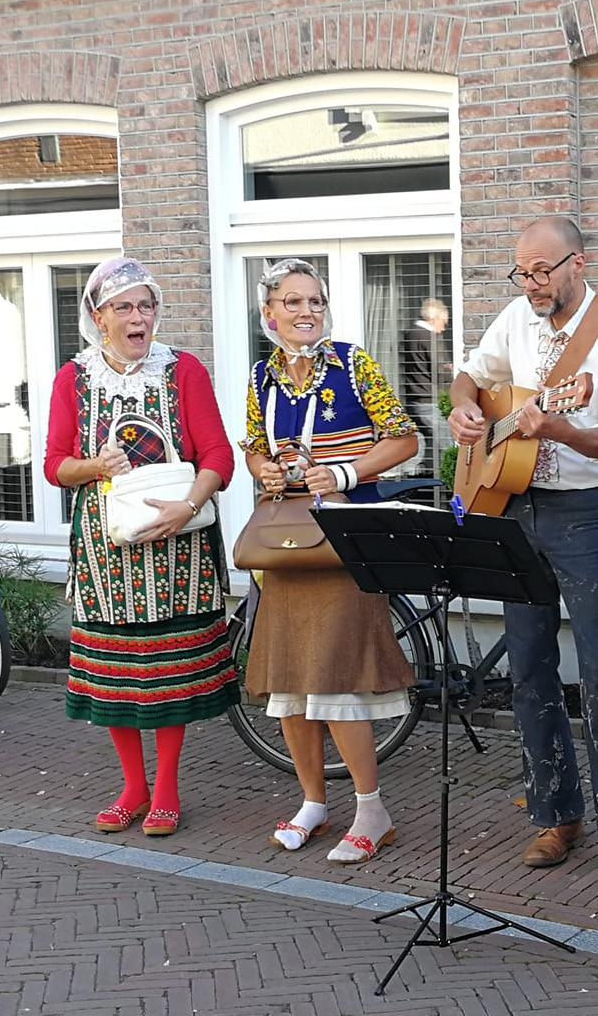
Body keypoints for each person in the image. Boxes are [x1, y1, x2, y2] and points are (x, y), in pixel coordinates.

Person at [44, 257, 240, 837]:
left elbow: (219, 455)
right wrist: (94, 466)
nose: (138, 318)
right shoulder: (73, 379)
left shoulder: (183, 370)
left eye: (146, 306)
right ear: (98, 317)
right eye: (124, 307)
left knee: (168, 673)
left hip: (178, 548)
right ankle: (133, 787)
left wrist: (189, 506)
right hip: (106, 551)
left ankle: (167, 788)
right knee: (116, 673)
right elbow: (55, 466)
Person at [240, 258, 419, 864]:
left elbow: (405, 437)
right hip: (287, 546)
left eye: (315, 301)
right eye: (292, 302)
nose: (307, 311)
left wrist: (344, 473)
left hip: (345, 542)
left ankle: (372, 810)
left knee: (337, 681)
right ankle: (313, 802)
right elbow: (253, 449)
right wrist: (264, 469)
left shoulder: (353, 363)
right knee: (291, 683)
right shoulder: (261, 376)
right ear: (269, 313)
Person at [448, 215, 598, 868]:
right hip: (513, 506)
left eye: (541, 270)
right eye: (522, 271)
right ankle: (555, 815)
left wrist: (561, 429)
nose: (530, 283)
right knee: (530, 669)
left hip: (585, 512)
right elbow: (469, 375)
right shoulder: (514, 318)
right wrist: (463, 408)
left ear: (577, 263)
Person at [402, 298, 452, 471]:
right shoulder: (429, 337)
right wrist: (450, 370)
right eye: (443, 322)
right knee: (448, 444)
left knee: (431, 441)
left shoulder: (409, 334)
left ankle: (424, 473)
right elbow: (439, 371)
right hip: (428, 400)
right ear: (434, 318)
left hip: (413, 400)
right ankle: (448, 478)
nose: (444, 328)